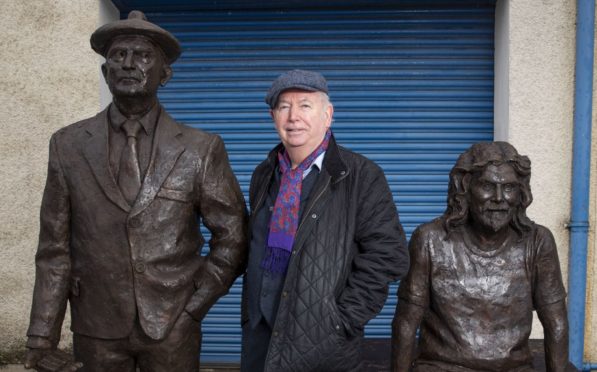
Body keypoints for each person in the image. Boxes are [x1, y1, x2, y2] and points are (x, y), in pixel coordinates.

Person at [24, 10, 247, 372]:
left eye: (143, 56)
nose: (129, 64)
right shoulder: (68, 145)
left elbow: (234, 236)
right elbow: (53, 249)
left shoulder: (199, 148)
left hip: (173, 323)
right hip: (96, 325)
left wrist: (196, 304)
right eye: (118, 55)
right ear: (105, 71)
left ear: (165, 74)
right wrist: (41, 336)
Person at [241, 69, 409, 372]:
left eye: (305, 105)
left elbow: (388, 255)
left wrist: (341, 321)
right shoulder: (263, 174)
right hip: (261, 335)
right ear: (273, 116)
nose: (294, 117)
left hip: (323, 344)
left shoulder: (362, 176)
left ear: (327, 115)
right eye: (284, 107)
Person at [392, 142, 569, 372]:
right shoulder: (429, 240)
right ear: (465, 190)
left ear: (520, 192)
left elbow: (556, 324)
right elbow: (406, 322)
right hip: (442, 367)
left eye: (508, 187)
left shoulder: (537, 242)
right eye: (487, 186)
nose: (498, 198)